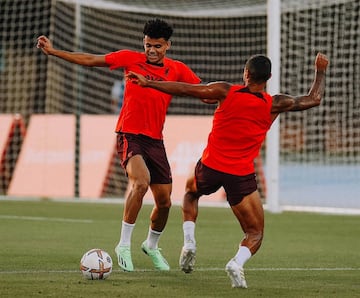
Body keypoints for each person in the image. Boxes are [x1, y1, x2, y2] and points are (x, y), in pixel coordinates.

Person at [127, 52, 329, 287]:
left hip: (211, 166)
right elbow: (313, 99)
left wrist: (149, 82)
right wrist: (320, 70)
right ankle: (236, 263)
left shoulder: (225, 91)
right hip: (241, 175)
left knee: (190, 194)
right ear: (269, 77)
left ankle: (190, 242)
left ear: (246, 73)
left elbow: (185, 89)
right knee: (255, 233)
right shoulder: (275, 104)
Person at [36, 19, 201, 272]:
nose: (151, 50)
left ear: (167, 45)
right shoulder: (129, 59)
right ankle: (123, 244)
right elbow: (91, 60)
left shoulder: (177, 69)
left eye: (157, 46)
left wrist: (232, 97)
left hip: (155, 140)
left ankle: (151, 245)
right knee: (141, 182)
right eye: (147, 45)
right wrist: (55, 51)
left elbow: (204, 91)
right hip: (129, 135)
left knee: (165, 202)